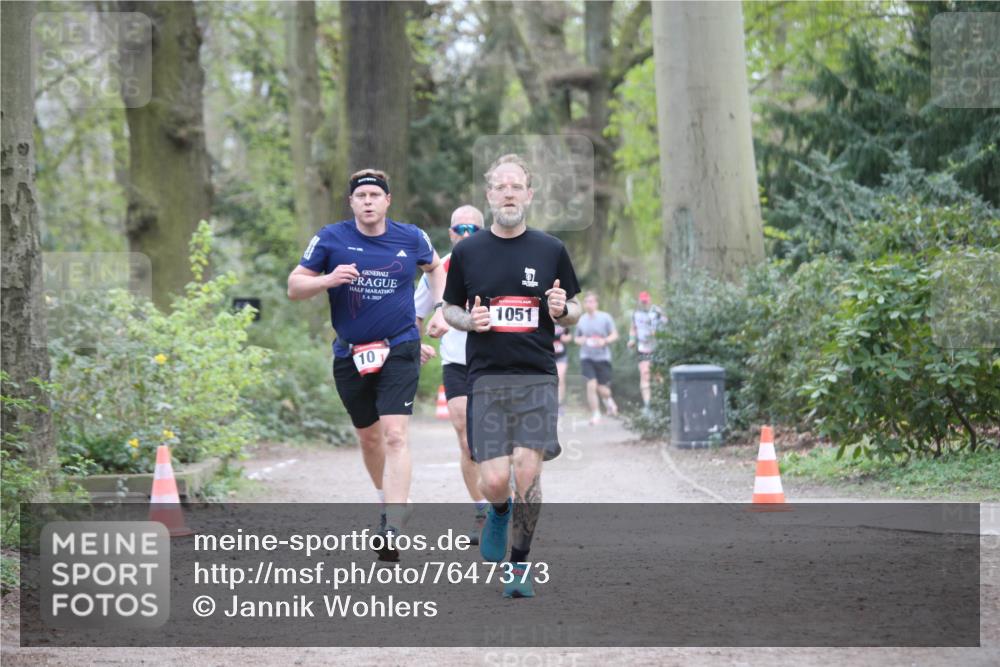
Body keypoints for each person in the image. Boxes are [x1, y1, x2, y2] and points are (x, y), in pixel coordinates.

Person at [287, 168, 448, 561]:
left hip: (400, 347)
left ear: (387, 201)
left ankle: (392, 524)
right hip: (350, 352)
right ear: (352, 203)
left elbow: (435, 267)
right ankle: (388, 501)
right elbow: (294, 287)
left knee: (395, 435)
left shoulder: (411, 237)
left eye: (376, 195)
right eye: (362, 196)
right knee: (369, 438)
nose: (369, 201)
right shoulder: (330, 239)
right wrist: (327, 280)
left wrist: (440, 307)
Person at [442, 154, 581, 598]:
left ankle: (519, 567)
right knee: (496, 481)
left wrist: (562, 311)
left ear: (529, 195)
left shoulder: (551, 249)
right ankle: (497, 511)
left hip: (537, 376)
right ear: (489, 196)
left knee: (528, 474)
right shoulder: (467, 252)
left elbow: (573, 309)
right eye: (500, 186)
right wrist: (470, 322)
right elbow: (449, 309)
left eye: (515, 186)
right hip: (486, 377)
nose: (508, 193)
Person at [413, 205, 488, 542]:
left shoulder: (498, 260)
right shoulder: (439, 267)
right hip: (457, 361)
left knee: (501, 440)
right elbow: (416, 312)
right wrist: (415, 344)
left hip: (497, 360)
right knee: (467, 440)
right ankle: (482, 512)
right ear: (451, 233)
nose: (465, 235)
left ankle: (507, 499)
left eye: (473, 229)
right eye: (460, 229)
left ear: (483, 231)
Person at [573, 292, 619, 425]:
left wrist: (605, 341)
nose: (588, 304)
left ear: (596, 303)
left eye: (591, 301)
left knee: (603, 388)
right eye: (586, 301)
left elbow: (614, 335)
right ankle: (596, 414)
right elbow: (576, 338)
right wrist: (581, 340)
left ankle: (609, 401)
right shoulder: (581, 320)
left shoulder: (605, 318)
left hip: (603, 358)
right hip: (587, 357)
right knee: (591, 385)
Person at [628, 291, 666, 414]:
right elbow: (633, 329)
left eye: (646, 301)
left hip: (657, 348)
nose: (644, 303)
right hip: (642, 348)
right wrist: (632, 340)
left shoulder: (656, 312)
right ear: (640, 301)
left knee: (658, 376)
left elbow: (667, 323)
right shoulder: (636, 314)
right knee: (644, 374)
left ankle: (662, 403)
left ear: (649, 300)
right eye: (642, 301)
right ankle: (647, 406)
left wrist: (659, 332)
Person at [553, 323, 572, 412]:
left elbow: (569, 336)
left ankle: (559, 404)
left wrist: (565, 338)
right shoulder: (543, 317)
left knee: (560, 378)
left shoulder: (563, 320)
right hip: (547, 355)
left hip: (561, 356)